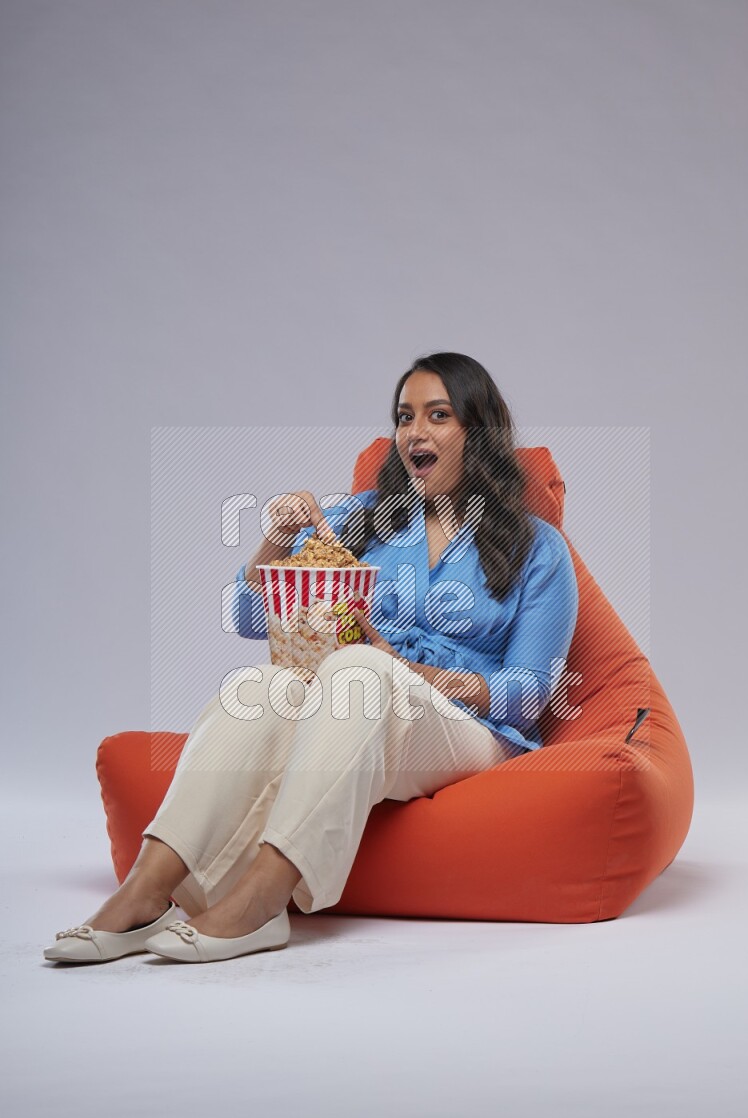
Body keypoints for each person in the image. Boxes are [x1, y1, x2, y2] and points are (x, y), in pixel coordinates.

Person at [43, 352, 579, 965]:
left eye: (439, 416)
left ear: (477, 432)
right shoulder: (365, 521)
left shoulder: (539, 548)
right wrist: (276, 535)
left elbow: (530, 690)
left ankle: (262, 903)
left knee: (361, 671)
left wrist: (412, 672)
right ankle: (147, 890)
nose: (415, 433)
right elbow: (250, 616)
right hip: (357, 710)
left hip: (473, 733)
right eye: (405, 417)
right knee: (263, 685)